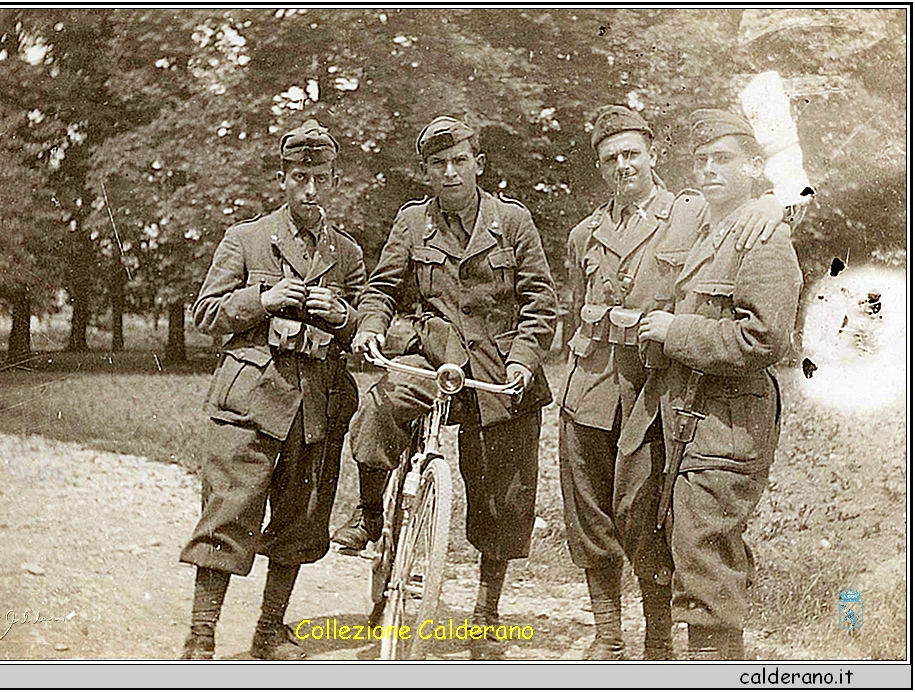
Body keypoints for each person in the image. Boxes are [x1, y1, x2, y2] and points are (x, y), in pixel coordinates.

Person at [557, 105, 785, 660]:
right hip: (599, 385)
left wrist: (774, 203)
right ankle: (611, 634)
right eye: (610, 159)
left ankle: (664, 641)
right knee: (605, 512)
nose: (622, 167)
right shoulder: (587, 231)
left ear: (654, 155)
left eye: (632, 153)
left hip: (664, 388)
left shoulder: (687, 214)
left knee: (673, 528)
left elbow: (756, 305)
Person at [332, 116, 558, 660]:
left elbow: (540, 304)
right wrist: (368, 327)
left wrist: (524, 363)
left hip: (496, 369)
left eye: (460, 160)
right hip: (433, 358)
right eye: (438, 164)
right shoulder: (412, 224)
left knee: (502, 490)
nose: (450, 172)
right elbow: (380, 290)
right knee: (383, 405)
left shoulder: (513, 221)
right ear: (427, 172)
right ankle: (369, 514)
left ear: (478, 164)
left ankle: (486, 610)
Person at [616, 109, 803, 660]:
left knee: (705, 558)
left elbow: (765, 341)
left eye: (722, 160)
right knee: (641, 515)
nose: (706, 170)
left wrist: (679, 330)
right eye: (700, 160)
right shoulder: (702, 227)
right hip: (677, 407)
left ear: (753, 167)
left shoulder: (763, 236)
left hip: (727, 419)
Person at [177, 119, 366, 660]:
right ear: (283, 179)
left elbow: (365, 324)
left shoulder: (348, 254)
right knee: (228, 513)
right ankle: (201, 636)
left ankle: (269, 633)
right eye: (300, 176)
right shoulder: (246, 238)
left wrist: (344, 316)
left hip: (317, 406)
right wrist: (262, 300)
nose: (311, 189)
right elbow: (206, 314)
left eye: (321, 178)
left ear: (334, 182)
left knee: (301, 520)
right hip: (250, 403)